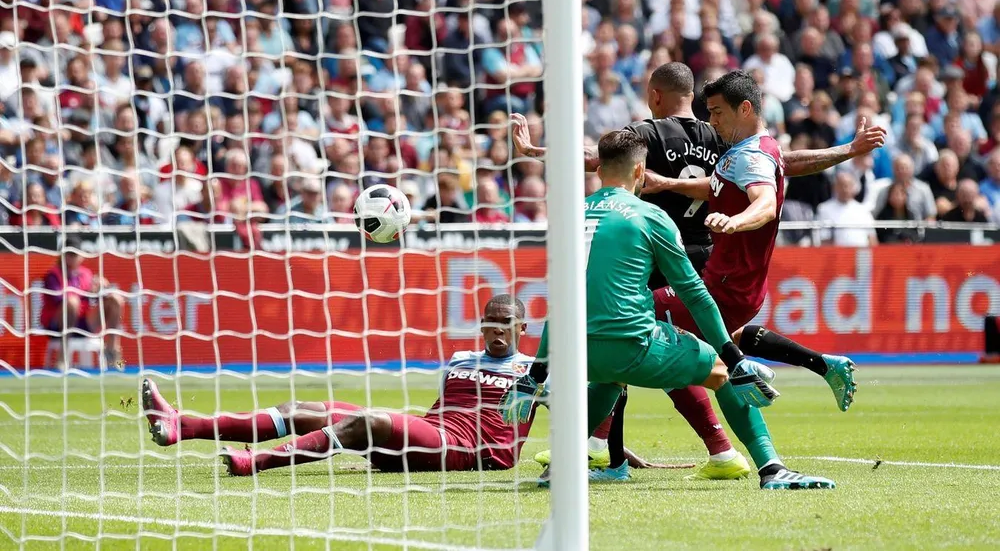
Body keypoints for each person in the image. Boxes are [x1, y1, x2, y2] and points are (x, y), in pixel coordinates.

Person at [512, 63, 880, 486]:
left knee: (649, 339)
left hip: (677, 266)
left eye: (718, 111)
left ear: (655, 96)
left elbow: (602, 159)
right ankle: (766, 437)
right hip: (704, 259)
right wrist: (846, 151)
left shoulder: (645, 140)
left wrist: (537, 152)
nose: (713, 118)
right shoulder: (724, 141)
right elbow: (780, 165)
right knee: (704, 347)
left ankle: (624, 453)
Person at [500, 130, 781, 487]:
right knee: (721, 371)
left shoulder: (569, 218)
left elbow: (562, 299)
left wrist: (537, 373)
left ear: (599, 171)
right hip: (633, 345)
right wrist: (733, 354)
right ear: (639, 172)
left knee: (608, 379)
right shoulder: (649, 215)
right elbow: (694, 292)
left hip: (576, 354)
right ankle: (771, 466)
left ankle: (563, 465)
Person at [141, 295, 538, 475]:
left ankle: (257, 463)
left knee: (365, 421)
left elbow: (574, 410)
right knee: (302, 409)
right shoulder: (461, 359)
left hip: (469, 453)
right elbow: (444, 411)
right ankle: (182, 426)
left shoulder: (535, 370)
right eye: (490, 322)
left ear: (522, 328)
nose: (496, 330)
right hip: (432, 436)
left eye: (505, 323)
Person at [40, 235, 124, 367]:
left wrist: (101, 289)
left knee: (115, 300)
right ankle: (63, 356)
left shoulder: (86, 274)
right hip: (58, 324)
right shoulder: (53, 275)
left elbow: (93, 299)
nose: (71, 258)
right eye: (69, 254)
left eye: (74, 254)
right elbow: (58, 300)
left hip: (83, 322)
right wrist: (86, 293)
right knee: (72, 303)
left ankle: (112, 352)